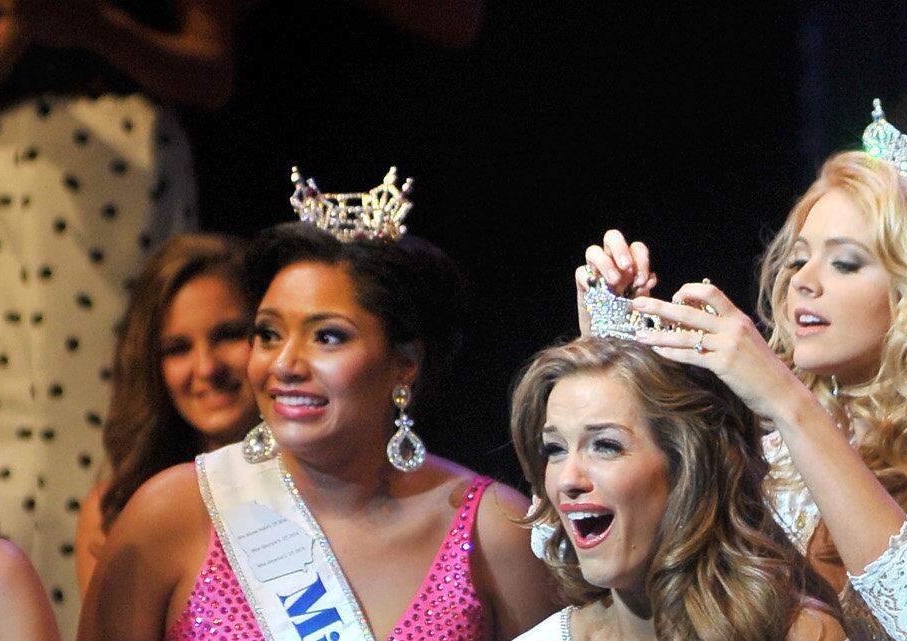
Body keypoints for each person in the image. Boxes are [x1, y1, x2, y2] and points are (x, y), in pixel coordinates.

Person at [572, 101, 907, 641]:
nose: (804, 280)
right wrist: (609, 344)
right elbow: (590, 547)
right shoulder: (773, 444)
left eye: (845, 262)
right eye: (798, 258)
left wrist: (786, 402)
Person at [78, 168, 554, 641]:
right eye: (268, 334)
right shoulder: (173, 514)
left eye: (327, 337)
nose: (284, 364)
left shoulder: (494, 534)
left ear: (405, 363)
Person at [0, 1, 234, 631]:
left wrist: (93, 24)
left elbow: (213, 71)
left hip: (128, 174)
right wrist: (19, 29)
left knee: (125, 421)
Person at [509, 335, 844, 641]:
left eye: (605, 446)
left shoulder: (800, 633)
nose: (567, 479)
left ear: (687, 465)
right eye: (554, 449)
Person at [74, 234, 259, 592]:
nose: (206, 368)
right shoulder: (113, 511)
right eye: (177, 349)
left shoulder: (326, 488)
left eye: (228, 335)